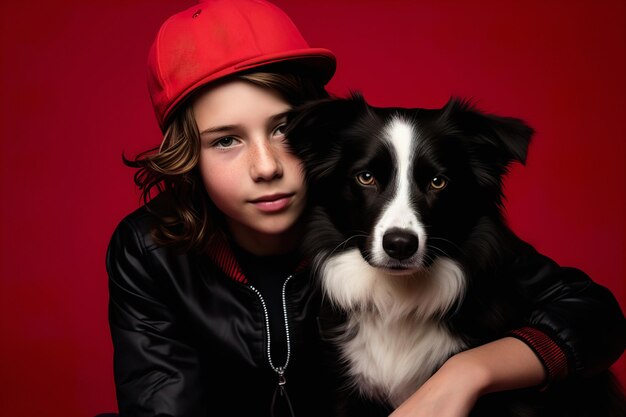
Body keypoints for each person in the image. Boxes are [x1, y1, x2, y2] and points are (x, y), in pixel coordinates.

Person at [106, 1, 626, 417]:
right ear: (187, 156)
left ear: (318, 135)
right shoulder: (148, 251)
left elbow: (591, 312)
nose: (265, 167)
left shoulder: (378, 214)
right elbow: (160, 401)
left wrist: (467, 372)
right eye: (225, 141)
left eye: (283, 129)